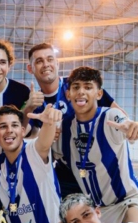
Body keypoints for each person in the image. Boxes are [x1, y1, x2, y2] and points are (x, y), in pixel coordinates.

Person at [55, 66, 138, 223]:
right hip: (95, 211)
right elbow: (43, 154)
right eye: (76, 87)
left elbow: (126, 123)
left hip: (127, 202)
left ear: (99, 94)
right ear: (68, 94)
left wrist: (136, 126)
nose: (81, 92)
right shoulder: (64, 127)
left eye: (88, 87)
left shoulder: (110, 116)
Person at [25, 43, 122, 199]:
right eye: (39, 61)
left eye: (50, 59)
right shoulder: (34, 100)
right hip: (67, 169)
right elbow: (28, 133)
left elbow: (120, 116)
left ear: (57, 63)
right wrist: (43, 128)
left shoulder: (79, 85)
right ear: (31, 69)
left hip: (99, 163)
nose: (46, 64)